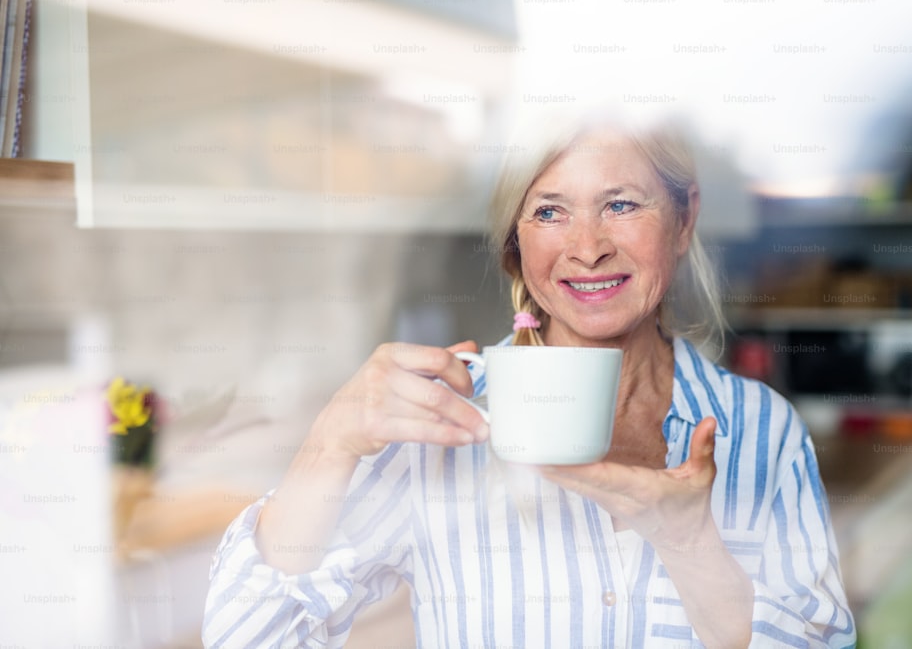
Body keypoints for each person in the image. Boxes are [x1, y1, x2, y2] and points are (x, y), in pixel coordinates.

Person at [203, 109, 856, 648]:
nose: (586, 246)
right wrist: (327, 446)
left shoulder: (762, 429)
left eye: (621, 204)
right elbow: (249, 637)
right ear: (516, 243)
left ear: (683, 221)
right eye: (549, 211)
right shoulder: (443, 420)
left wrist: (692, 547)